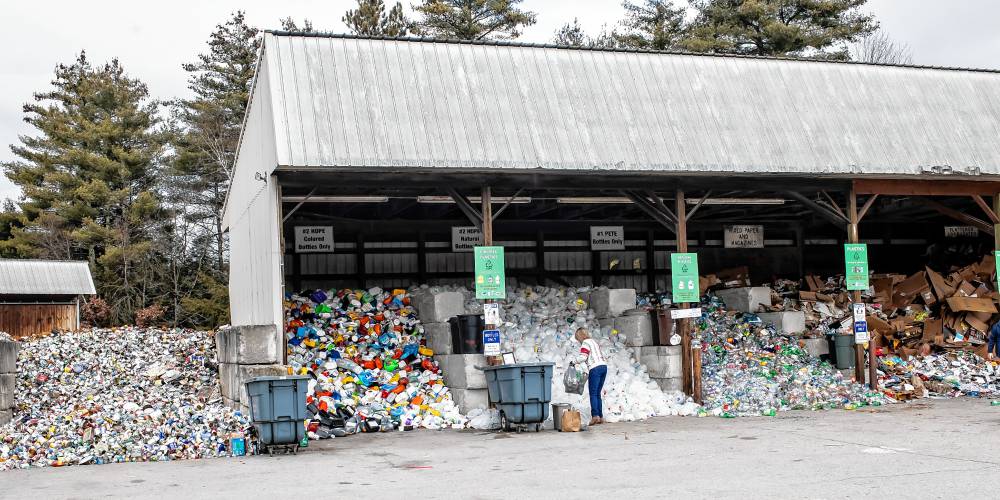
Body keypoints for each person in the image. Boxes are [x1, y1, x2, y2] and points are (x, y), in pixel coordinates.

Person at [575, 328, 608, 425]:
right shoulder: (594, 342)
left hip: (595, 368)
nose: (578, 341)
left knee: (593, 393)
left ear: (580, 336)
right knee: (598, 393)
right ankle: (600, 416)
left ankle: (595, 416)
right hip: (603, 367)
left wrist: (574, 361)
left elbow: (583, 357)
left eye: (578, 338)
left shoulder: (585, 343)